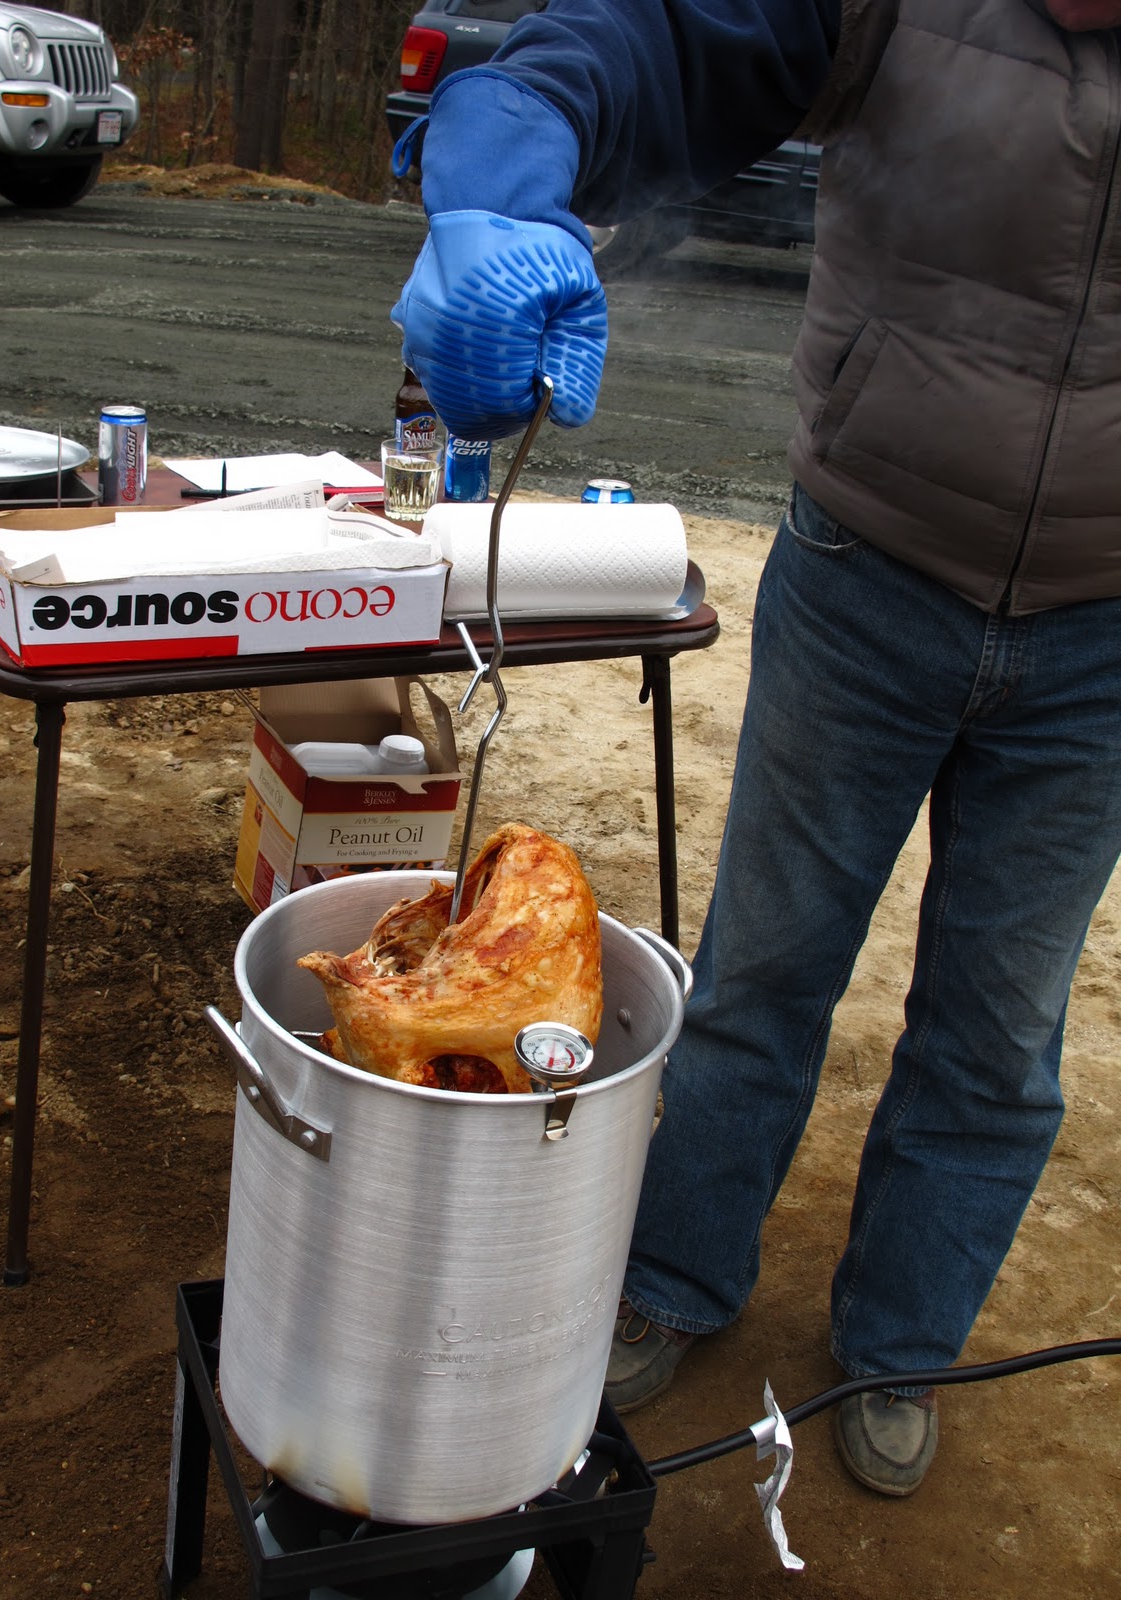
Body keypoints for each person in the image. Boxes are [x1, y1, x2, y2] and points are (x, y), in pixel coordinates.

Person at [391, 0, 1121, 1497]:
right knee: (766, 968)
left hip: (1105, 645)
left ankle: (903, 1341)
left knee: (1000, 1028)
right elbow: (647, 41)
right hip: (869, 576)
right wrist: (502, 172)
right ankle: (674, 1271)